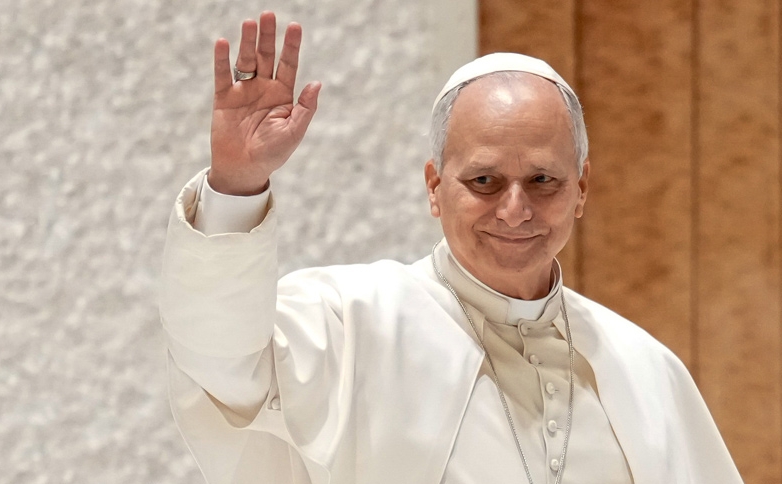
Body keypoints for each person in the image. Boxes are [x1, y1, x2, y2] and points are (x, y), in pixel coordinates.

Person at [160, 11, 743, 484]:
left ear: (582, 189)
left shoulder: (644, 368)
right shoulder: (352, 322)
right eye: (484, 182)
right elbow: (219, 359)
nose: (515, 210)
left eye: (543, 180)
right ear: (435, 188)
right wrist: (236, 184)